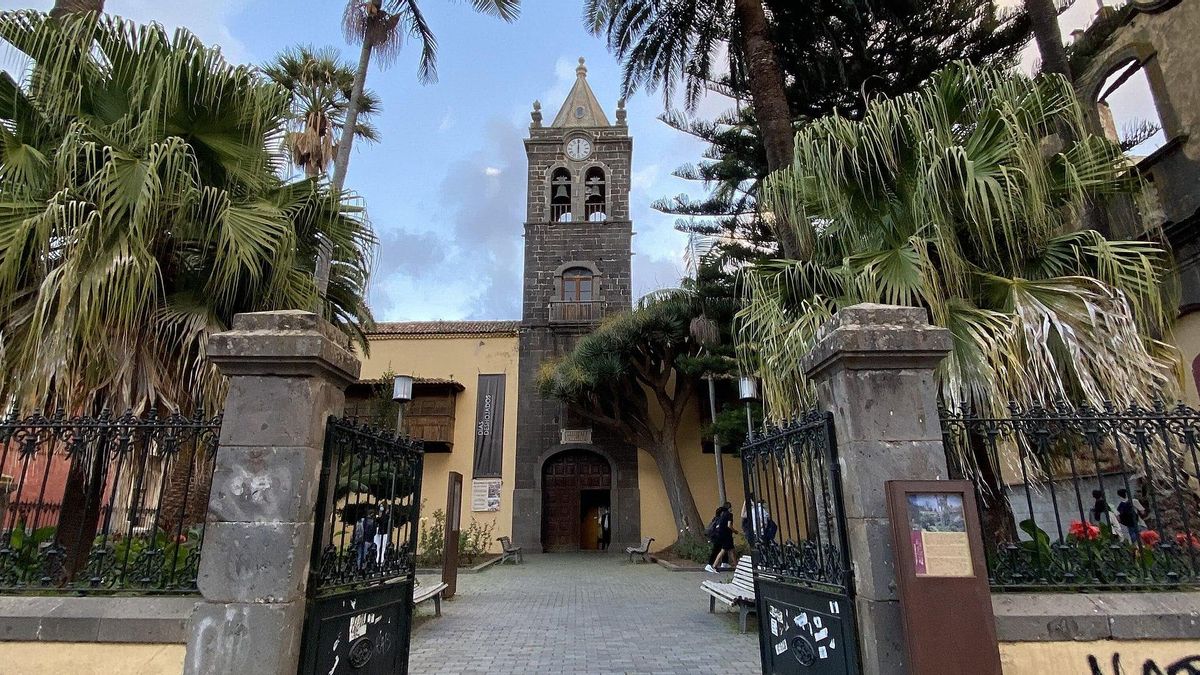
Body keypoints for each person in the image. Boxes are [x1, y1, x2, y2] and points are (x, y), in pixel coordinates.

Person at [705, 502, 736, 574]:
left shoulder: (721, 515)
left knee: (726, 549)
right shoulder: (728, 515)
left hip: (718, 535)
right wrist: (735, 531)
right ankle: (712, 565)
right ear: (729, 508)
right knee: (719, 550)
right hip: (723, 535)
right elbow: (729, 525)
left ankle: (726, 563)